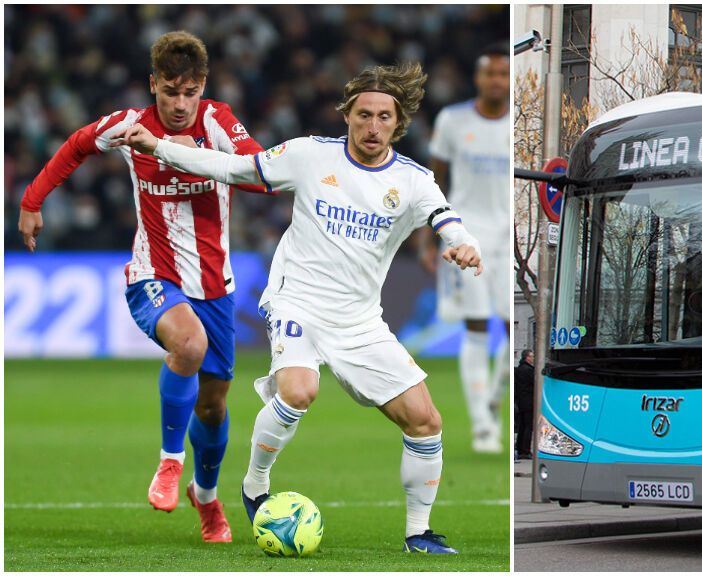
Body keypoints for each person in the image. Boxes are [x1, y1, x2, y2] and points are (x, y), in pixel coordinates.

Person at [114, 62, 482, 555]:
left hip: (359, 320)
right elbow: (236, 168)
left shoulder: (413, 181)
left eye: (383, 118)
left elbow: (447, 219)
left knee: (426, 420)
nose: (372, 126)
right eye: (364, 114)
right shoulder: (310, 155)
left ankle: (419, 532)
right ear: (347, 115)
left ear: (399, 123)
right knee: (299, 389)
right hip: (296, 301)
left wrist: (462, 244)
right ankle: (255, 483)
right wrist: (161, 148)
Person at [17, 31, 266, 543]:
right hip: (153, 274)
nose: (179, 104)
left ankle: (206, 495)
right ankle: (169, 461)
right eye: (170, 91)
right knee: (188, 345)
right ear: (153, 85)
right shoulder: (130, 126)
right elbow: (77, 145)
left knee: (214, 406)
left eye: (189, 92)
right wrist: (32, 200)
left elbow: (261, 174)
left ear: (203, 88)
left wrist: (191, 153)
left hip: (215, 285)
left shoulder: (218, 122)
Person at [420, 43, 510, 454]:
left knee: (515, 329)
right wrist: (427, 237)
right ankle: (482, 425)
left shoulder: (519, 123)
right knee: (476, 325)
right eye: (490, 73)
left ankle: (494, 397)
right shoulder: (453, 121)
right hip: (465, 233)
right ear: (479, 78)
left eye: (503, 74)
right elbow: (433, 182)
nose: (497, 80)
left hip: (510, 237)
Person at [514, 349, 535, 459]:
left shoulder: (519, 369)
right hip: (528, 401)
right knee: (528, 426)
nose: (533, 358)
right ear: (527, 357)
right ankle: (525, 450)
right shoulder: (529, 370)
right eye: (531, 356)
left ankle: (519, 447)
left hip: (521, 401)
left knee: (522, 426)